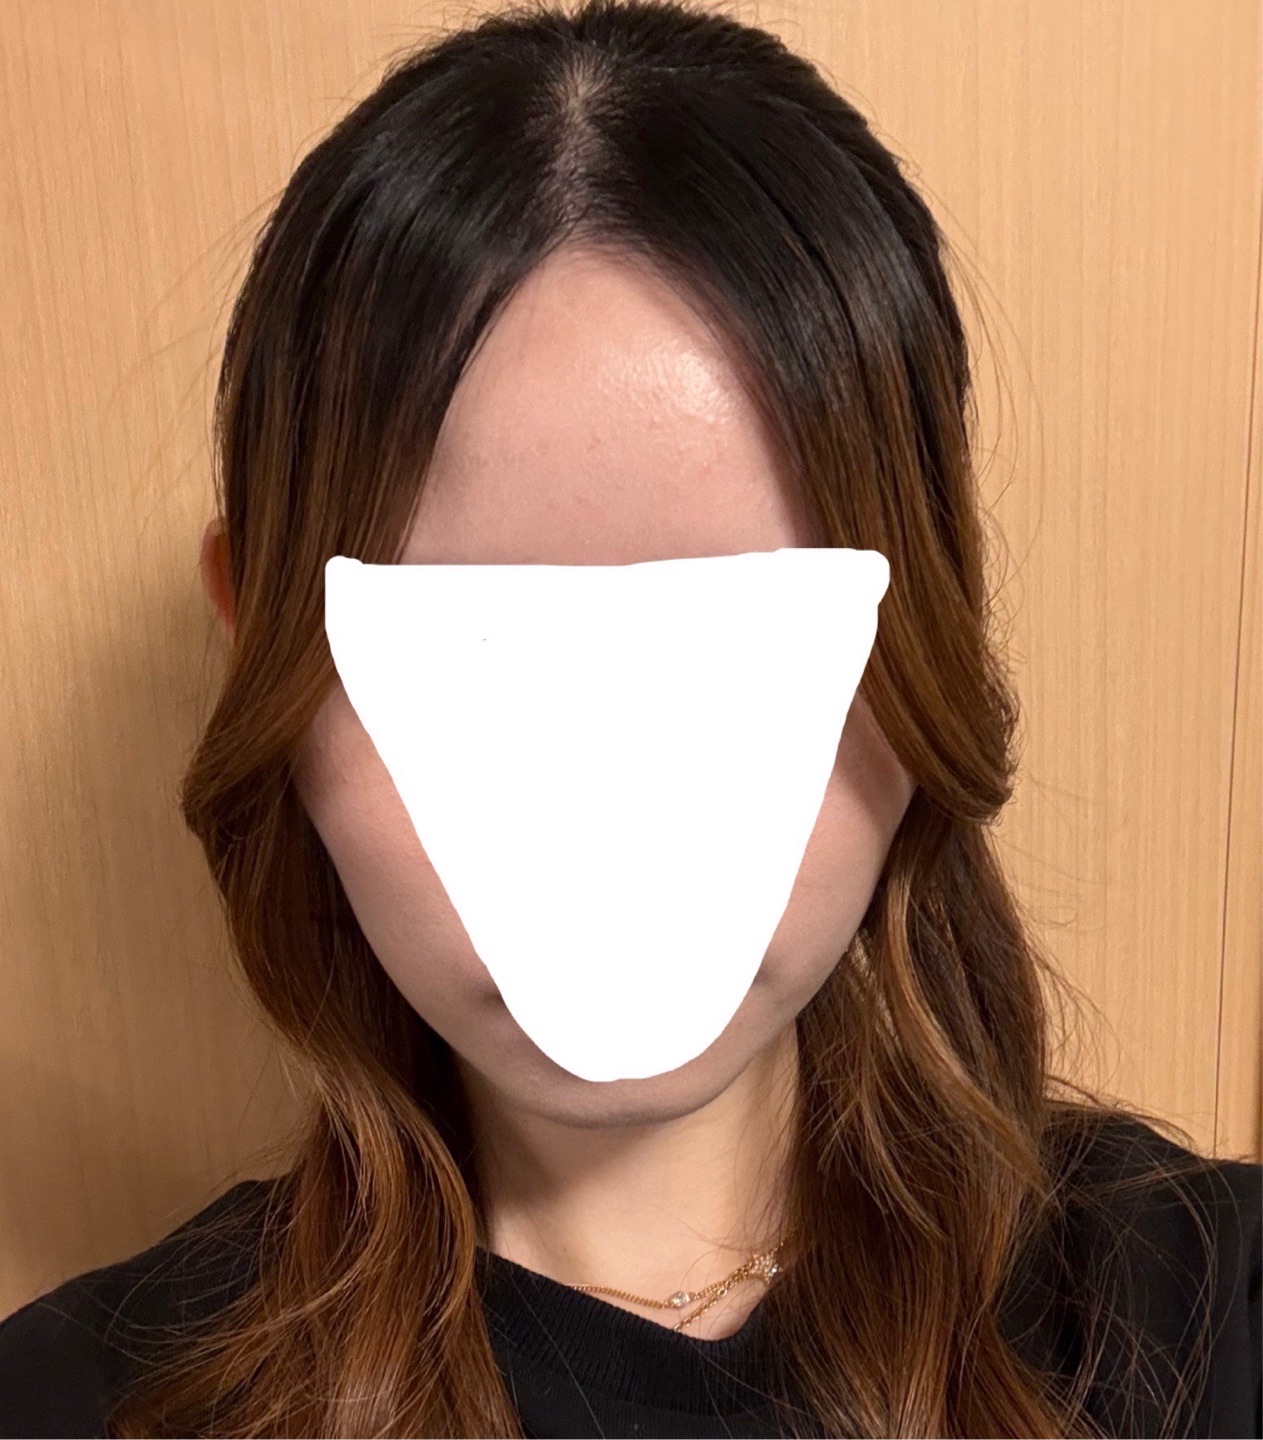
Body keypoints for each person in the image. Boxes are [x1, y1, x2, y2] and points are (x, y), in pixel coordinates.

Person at [0, 1, 1258, 1435]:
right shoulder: (79, 1403)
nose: (614, 832)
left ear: (920, 632)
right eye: (473, 659)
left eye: (747, 652)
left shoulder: (1213, 1321)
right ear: (263, 648)